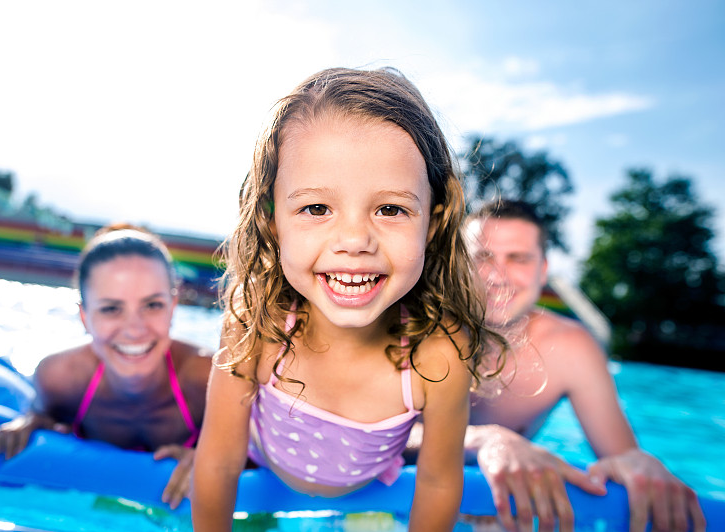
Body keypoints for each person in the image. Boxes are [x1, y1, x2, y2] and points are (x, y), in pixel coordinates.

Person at [191, 67, 505, 531]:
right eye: (317, 208)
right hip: (259, 474)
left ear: (432, 225)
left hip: (368, 496)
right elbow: (218, 462)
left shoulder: (438, 353)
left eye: (390, 209)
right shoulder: (256, 321)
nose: (355, 240)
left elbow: (438, 484)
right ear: (272, 220)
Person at [463, 199, 705, 532]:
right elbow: (370, 433)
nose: (496, 275)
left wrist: (640, 465)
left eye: (518, 258)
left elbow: (620, 458)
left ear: (543, 269)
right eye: (483, 257)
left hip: (496, 509)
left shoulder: (571, 347)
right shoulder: (420, 330)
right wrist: (484, 439)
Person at [0, 224, 213, 510]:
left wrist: (219, 459)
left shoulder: (209, 378)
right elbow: (42, 420)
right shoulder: (59, 379)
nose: (135, 330)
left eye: (153, 305)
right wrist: (33, 421)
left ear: (173, 306)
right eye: (111, 309)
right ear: (84, 317)